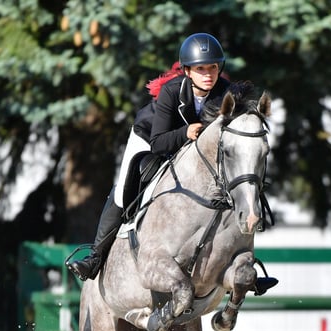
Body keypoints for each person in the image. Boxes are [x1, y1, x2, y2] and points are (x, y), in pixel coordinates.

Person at [66, 33, 277, 295]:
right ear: (187, 70)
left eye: (212, 67)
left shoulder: (226, 94)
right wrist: (184, 133)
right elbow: (158, 143)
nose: (208, 74)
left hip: (194, 149)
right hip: (152, 137)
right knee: (124, 187)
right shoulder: (171, 91)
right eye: (200, 69)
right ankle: (95, 256)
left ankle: (244, 267)